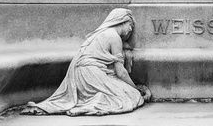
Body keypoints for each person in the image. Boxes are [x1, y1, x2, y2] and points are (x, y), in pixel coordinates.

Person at [21, 8, 149, 116]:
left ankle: (90, 102)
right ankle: (91, 105)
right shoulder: (114, 37)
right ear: (122, 20)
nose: (131, 30)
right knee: (131, 96)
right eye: (130, 25)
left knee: (121, 92)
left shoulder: (98, 34)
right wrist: (136, 89)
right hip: (91, 75)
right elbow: (121, 72)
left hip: (77, 75)